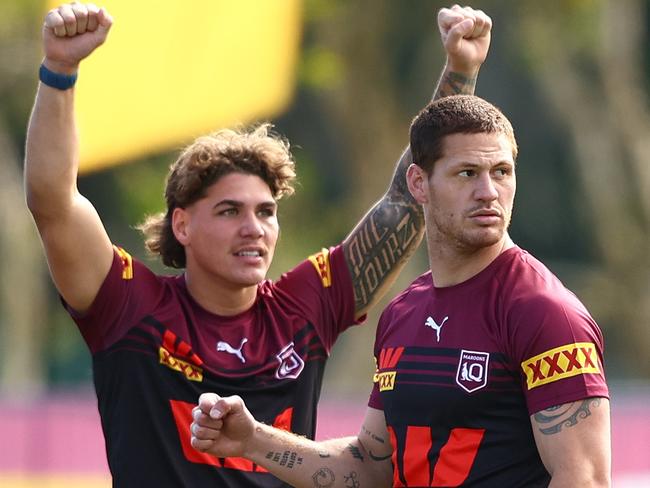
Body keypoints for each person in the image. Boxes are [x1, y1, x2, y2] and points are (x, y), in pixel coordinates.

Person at [24, 2, 493, 487]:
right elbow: (52, 201)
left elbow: (405, 202)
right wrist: (59, 71)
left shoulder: (305, 306)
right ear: (181, 226)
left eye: (266, 212)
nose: (255, 228)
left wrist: (460, 70)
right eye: (230, 211)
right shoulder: (129, 307)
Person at [190, 97, 612, 486]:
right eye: (467, 173)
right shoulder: (402, 313)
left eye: (501, 172)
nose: (489, 192)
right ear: (418, 183)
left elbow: (584, 479)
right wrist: (253, 441)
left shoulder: (544, 312)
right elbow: (372, 467)